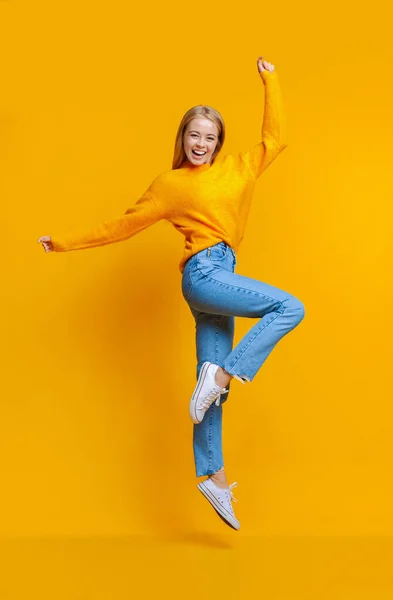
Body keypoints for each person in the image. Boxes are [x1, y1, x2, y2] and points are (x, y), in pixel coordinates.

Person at [38, 56, 305, 531]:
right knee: (289, 306)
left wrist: (271, 79)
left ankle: (213, 476)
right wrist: (62, 242)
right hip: (203, 274)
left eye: (209, 137)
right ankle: (223, 376)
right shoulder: (170, 185)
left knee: (207, 394)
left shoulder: (239, 169)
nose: (201, 144)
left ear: (219, 143)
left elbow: (275, 140)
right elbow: (120, 225)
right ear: (182, 138)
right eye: (193, 135)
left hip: (222, 273)